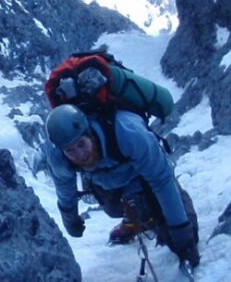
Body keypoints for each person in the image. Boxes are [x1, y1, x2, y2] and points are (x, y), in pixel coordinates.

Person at [43, 103, 199, 267]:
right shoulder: (58, 157)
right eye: (70, 151)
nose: (80, 155)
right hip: (103, 181)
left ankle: (172, 205)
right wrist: (70, 219)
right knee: (114, 209)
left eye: (81, 144)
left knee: (184, 235)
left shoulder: (129, 133)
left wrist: (180, 228)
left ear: (89, 133)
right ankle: (133, 219)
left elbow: (161, 181)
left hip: (143, 176)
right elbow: (65, 188)